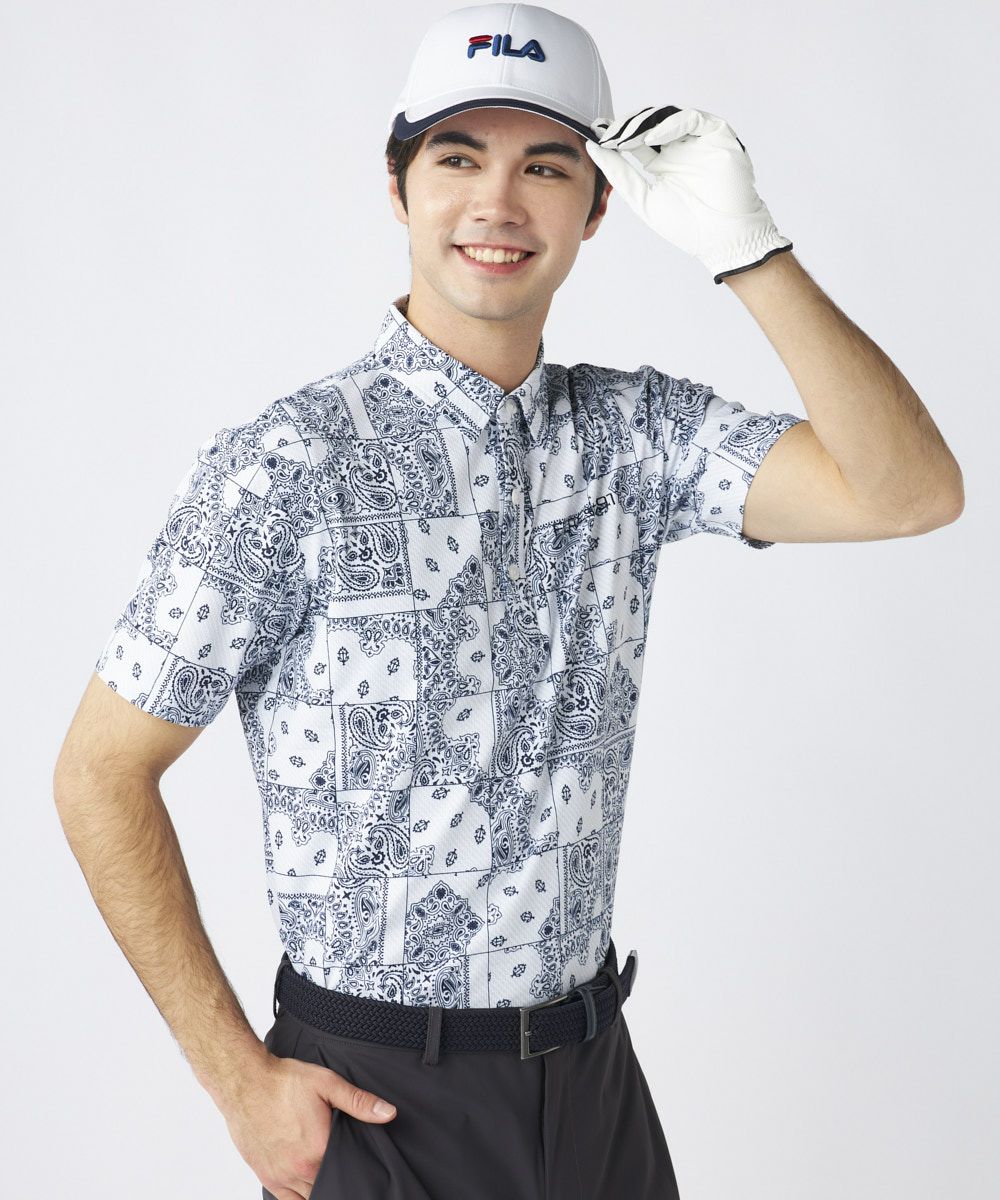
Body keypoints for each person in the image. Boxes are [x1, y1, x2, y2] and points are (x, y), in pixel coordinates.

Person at [53, 3, 964, 1198]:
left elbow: (908, 493)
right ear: (398, 187)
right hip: (377, 1100)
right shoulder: (285, 468)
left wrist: (749, 251)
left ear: (596, 206)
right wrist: (238, 1083)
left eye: (544, 166)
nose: (497, 202)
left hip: (593, 1084)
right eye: (457, 158)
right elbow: (99, 773)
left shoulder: (635, 435)